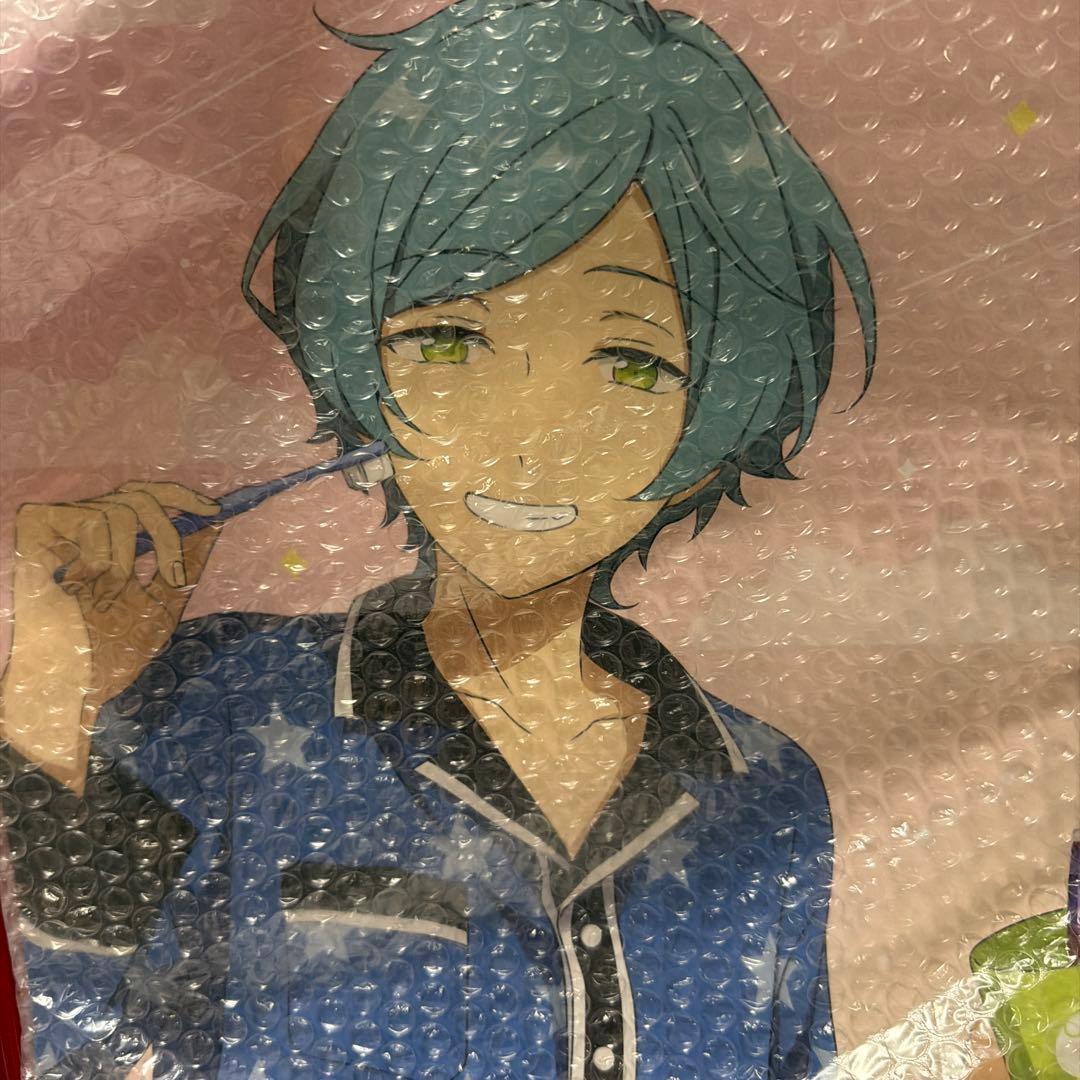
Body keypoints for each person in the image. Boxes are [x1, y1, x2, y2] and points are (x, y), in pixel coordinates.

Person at [0, 1, 876, 1077]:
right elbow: (65, 1035)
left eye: (631, 362)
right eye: (451, 341)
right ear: (353, 364)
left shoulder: (767, 786)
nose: (528, 433)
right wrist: (52, 703)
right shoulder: (222, 707)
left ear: (718, 417)